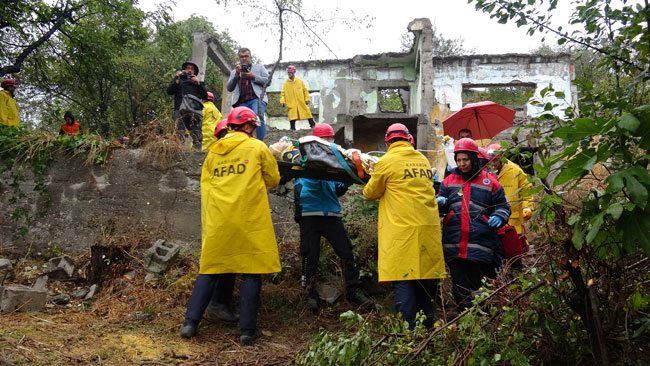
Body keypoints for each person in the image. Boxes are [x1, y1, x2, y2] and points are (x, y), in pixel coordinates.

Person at [180, 106, 280, 346]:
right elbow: (274, 180)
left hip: (219, 221)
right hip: (248, 220)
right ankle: (247, 331)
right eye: (253, 128)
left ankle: (190, 323)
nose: (254, 132)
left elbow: (206, 185)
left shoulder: (213, 151)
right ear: (247, 126)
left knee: (211, 270)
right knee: (251, 272)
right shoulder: (257, 147)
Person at [362, 123, 446, 330]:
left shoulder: (386, 162)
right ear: (409, 140)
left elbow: (369, 193)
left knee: (404, 279)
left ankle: (407, 335)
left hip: (402, 234)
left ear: (388, 141)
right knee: (426, 284)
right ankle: (427, 330)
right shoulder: (423, 161)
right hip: (428, 231)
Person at [287, 123, 370, 312]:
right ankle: (309, 295)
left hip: (331, 214)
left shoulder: (333, 159)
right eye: (325, 139)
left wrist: (347, 183)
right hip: (309, 213)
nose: (328, 142)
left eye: (330, 139)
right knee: (310, 256)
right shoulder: (304, 156)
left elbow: (335, 190)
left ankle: (354, 291)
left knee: (347, 253)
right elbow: (295, 183)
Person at [436, 138, 511, 311]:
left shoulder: (489, 181)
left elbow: (503, 206)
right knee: (460, 286)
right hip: (454, 244)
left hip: (481, 243)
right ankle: (466, 319)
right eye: (459, 160)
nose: (462, 164)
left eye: (466, 159)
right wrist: (440, 204)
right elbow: (442, 211)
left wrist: (499, 216)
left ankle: (482, 318)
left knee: (479, 285)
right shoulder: (448, 181)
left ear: (473, 158)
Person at [486, 143, 533, 235]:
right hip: (491, 220)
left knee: (513, 246)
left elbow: (526, 190)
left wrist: (527, 207)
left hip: (512, 221)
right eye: (490, 161)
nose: (492, 164)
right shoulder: (485, 173)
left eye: (495, 160)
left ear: (502, 158)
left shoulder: (515, 171)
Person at [227, 48, 270, 141]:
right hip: (241, 102)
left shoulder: (259, 67)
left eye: (246, 56)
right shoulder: (235, 72)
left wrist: (253, 76)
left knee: (257, 117)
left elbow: (269, 81)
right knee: (239, 122)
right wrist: (236, 76)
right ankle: (243, 142)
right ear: (239, 58)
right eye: (242, 57)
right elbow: (229, 88)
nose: (244, 58)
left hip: (256, 99)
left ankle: (261, 143)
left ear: (250, 57)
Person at [167, 60, 207, 150]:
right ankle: (179, 152)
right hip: (179, 109)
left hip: (194, 110)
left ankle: (197, 152)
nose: (189, 70)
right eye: (187, 68)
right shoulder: (178, 80)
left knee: (196, 134)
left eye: (192, 69)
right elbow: (169, 91)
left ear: (194, 72)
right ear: (183, 70)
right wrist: (177, 79)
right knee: (179, 133)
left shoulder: (198, 82)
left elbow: (205, 96)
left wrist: (198, 84)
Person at [280, 65, 315, 130]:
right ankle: (292, 129)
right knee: (292, 115)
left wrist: (307, 98)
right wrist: (282, 101)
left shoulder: (300, 81)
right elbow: (283, 93)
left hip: (301, 102)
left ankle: (312, 125)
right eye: (288, 73)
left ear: (294, 72)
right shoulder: (285, 84)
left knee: (307, 112)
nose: (289, 74)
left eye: (291, 72)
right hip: (291, 103)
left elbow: (305, 90)